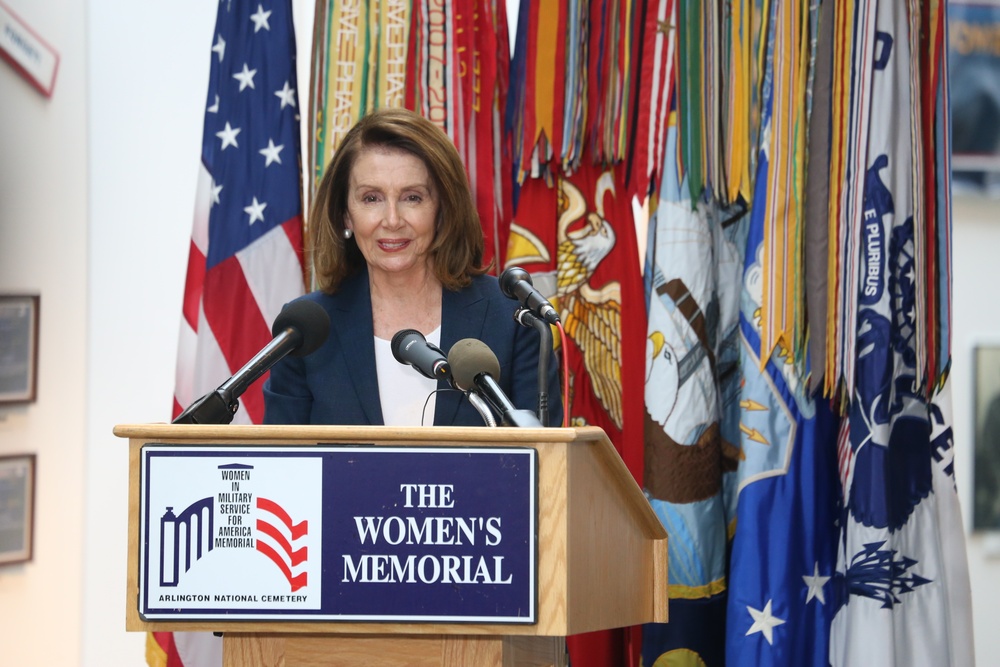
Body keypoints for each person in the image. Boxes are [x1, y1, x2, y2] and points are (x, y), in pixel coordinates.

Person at [263, 107, 562, 428]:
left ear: (443, 208)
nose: (392, 220)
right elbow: (283, 465)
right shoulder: (303, 333)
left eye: (413, 198)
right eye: (371, 198)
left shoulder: (513, 320)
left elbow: (545, 463)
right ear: (345, 214)